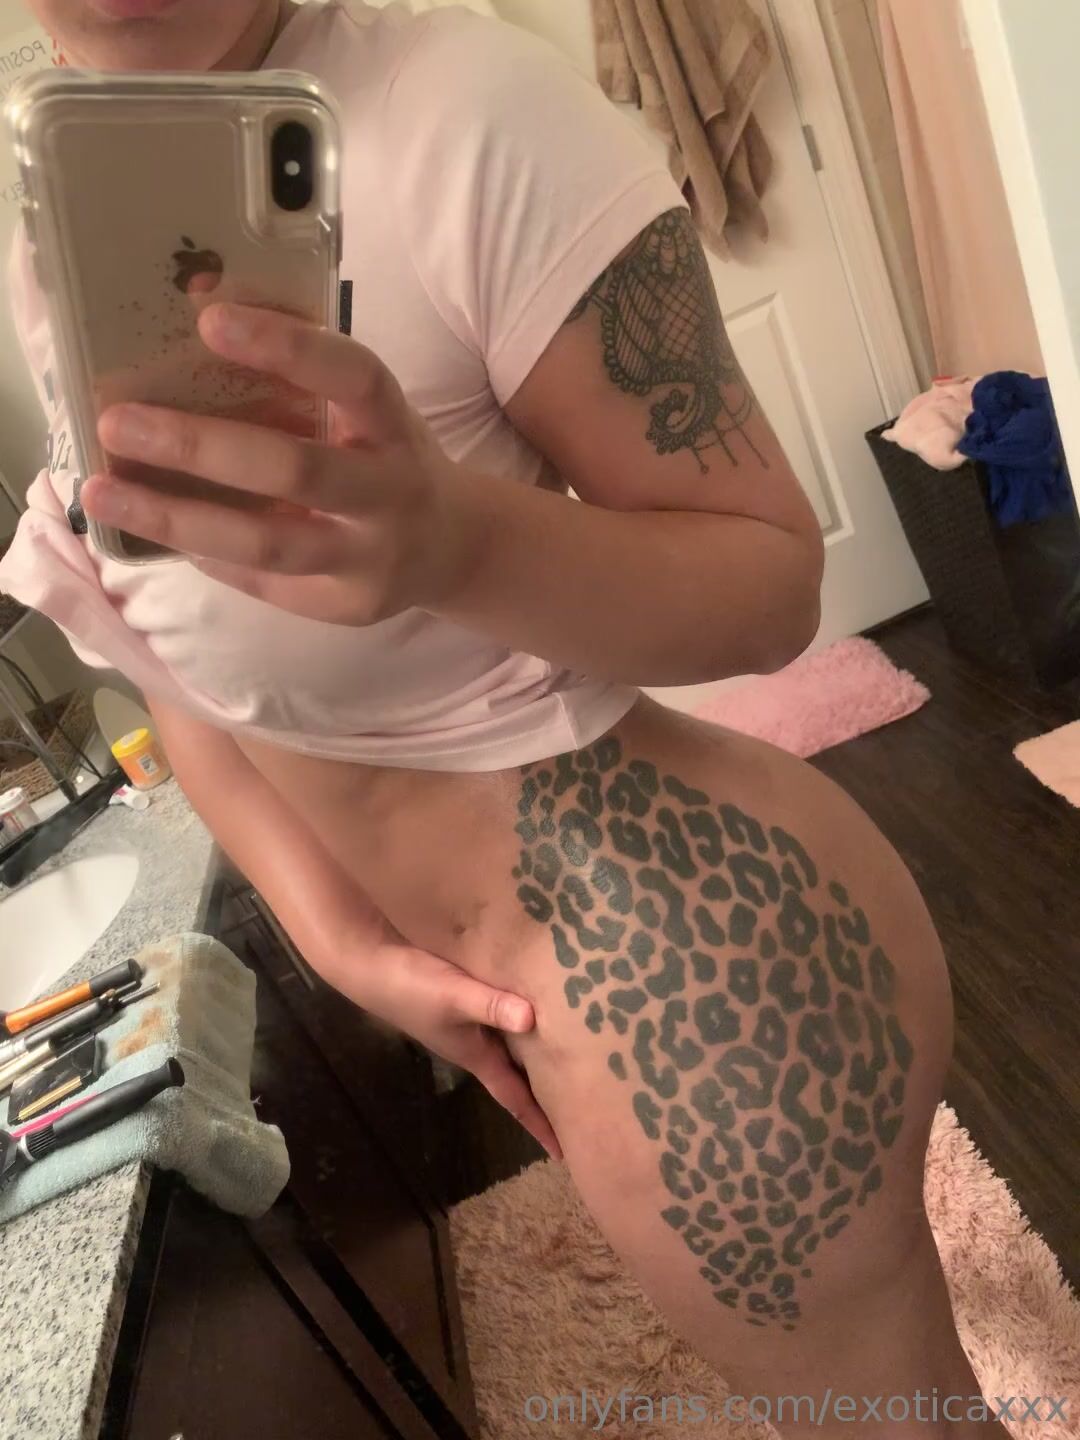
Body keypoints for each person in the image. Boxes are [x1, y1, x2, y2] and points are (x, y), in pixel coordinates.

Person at [3, 2, 1005, 1434]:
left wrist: (452, 544)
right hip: (557, 992)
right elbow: (167, 653)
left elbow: (771, 583)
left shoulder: (469, 117)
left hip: (708, 989)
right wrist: (345, 943)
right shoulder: (57, 212)